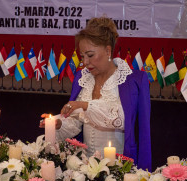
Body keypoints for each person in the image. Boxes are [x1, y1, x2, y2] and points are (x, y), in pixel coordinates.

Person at [40, 17, 151, 171]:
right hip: (83, 167)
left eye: (90, 55)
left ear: (107, 50)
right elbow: (76, 122)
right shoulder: (82, 77)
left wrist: (84, 105)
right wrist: (59, 124)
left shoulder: (133, 80)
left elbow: (121, 118)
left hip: (119, 167)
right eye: (82, 56)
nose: (85, 61)